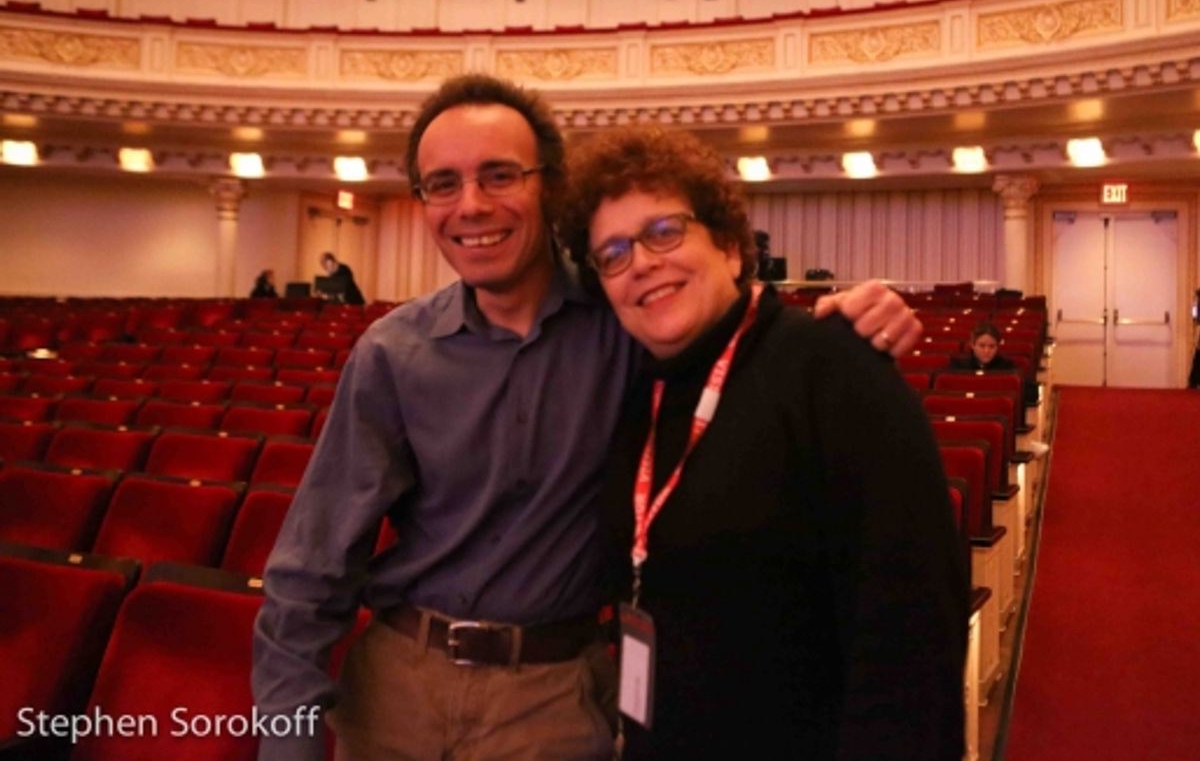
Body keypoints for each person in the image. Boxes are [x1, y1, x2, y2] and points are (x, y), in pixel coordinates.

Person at [251, 74, 923, 761]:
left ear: (550, 185)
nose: (471, 205)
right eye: (442, 184)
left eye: (500, 174)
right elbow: (310, 571)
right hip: (396, 686)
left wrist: (845, 315)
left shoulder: (626, 317)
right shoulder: (391, 354)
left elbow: (730, 330)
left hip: (554, 699)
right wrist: (285, 745)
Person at [561, 127, 968, 760]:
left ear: (728, 245)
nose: (640, 261)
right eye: (612, 253)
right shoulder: (639, 391)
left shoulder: (833, 366)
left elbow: (909, 636)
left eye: (664, 232)